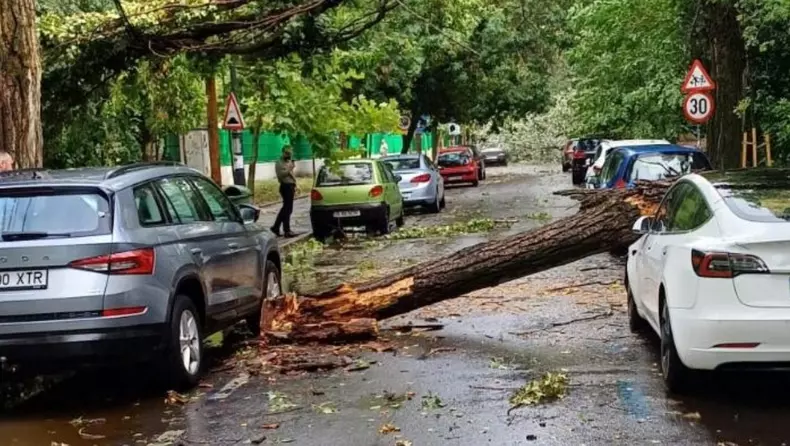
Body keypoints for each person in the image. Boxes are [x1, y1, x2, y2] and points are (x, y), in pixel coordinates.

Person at [271, 147, 297, 237]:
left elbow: (291, 174)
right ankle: (285, 230)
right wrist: (290, 169)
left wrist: (295, 183)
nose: (288, 155)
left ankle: (277, 227)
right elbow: (281, 175)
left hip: (291, 186)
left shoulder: (288, 162)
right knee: (287, 209)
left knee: (287, 209)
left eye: (290, 154)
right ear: (283, 153)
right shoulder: (279, 163)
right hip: (285, 186)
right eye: (286, 153)